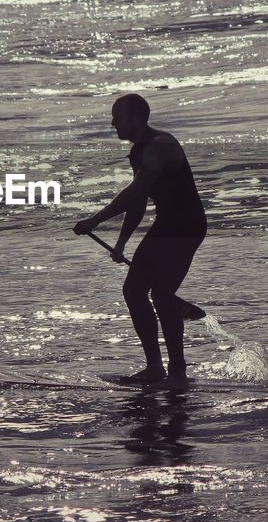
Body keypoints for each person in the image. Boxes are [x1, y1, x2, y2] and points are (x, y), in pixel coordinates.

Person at [74, 94, 207, 389]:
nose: (112, 123)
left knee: (160, 294)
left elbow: (136, 191)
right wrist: (121, 243)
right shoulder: (139, 151)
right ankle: (154, 368)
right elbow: (139, 202)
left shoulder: (161, 145)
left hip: (186, 226)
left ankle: (177, 373)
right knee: (134, 290)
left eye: (117, 117)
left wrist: (95, 221)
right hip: (166, 224)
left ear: (135, 117)